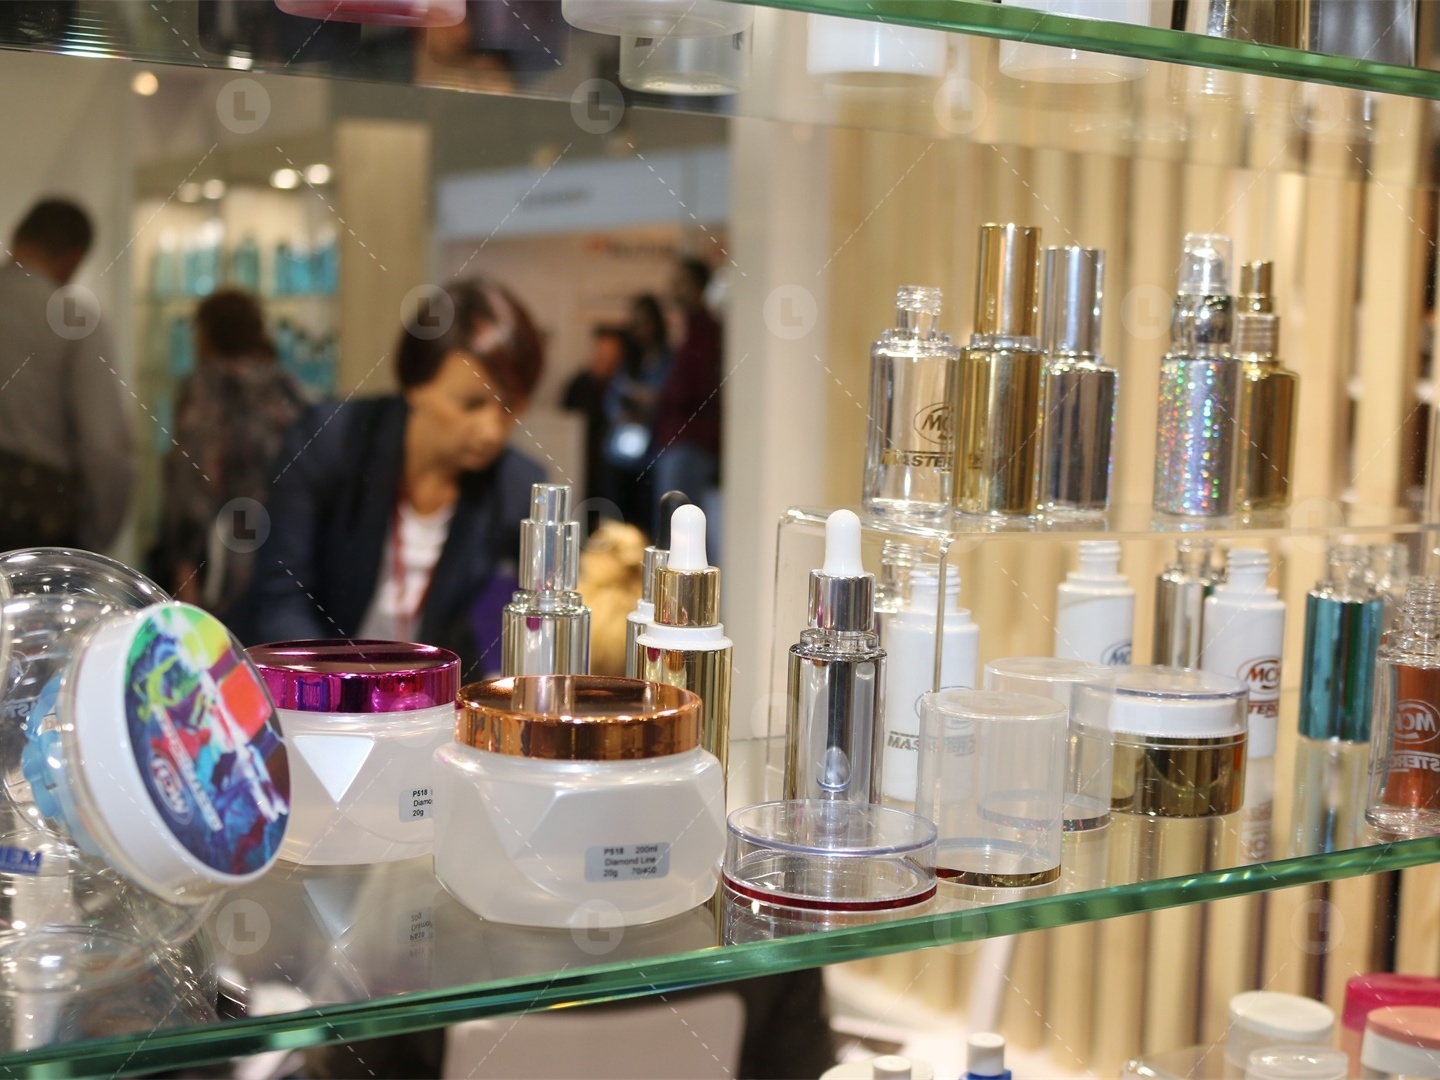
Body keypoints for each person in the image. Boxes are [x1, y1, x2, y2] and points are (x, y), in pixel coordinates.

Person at [245, 278, 546, 675]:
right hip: (313, 690)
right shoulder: (329, 442)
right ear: (415, 385)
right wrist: (338, 692)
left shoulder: (516, 488)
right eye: (471, 404)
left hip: (430, 701)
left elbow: (499, 638)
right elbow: (282, 598)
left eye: (509, 406)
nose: (492, 430)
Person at [154, 290, 308, 640]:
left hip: (219, 559)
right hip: (281, 552)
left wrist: (183, 567)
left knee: (216, 657)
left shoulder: (203, 389)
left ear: (208, 333)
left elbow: (191, 485)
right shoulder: (286, 388)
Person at [0, 199, 131, 552]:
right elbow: (105, 448)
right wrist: (95, 543)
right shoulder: (73, 321)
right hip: (33, 526)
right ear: (73, 259)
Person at [650, 258, 721, 537]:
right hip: (677, 439)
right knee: (672, 522)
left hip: (691, 441)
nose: (674, 288)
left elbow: (701, 388)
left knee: (679, 527)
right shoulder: (688, 329)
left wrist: (660, 397)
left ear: (697, 286)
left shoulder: (707, 331)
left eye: (681, 283)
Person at [561, 325, 629, 518]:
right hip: (582, 462)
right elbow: (566, 426)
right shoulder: (578, 385)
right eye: (601, 353)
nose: (604, 360)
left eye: (611, 356)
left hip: (616, 467)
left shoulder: (623, 388)